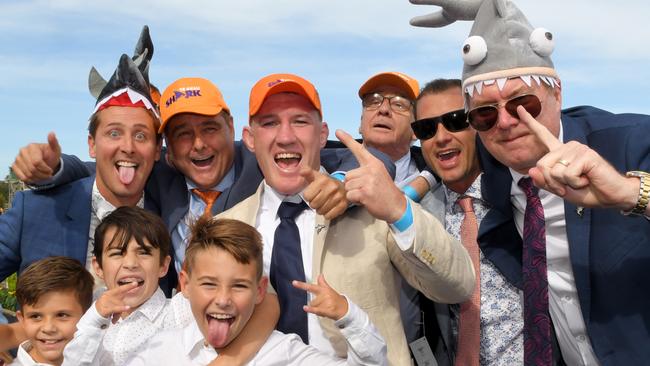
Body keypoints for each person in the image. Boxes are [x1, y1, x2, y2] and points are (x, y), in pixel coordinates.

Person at [411, 0, 650, 364]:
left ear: (557, 93)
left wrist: (629, 193)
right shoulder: (492, 176)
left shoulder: (628, 141)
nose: (505, 122)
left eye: (524, 104)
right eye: (485, 113)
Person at [218, 72, 475, 365]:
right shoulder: (224, 227)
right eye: (269, 123)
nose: (286, 136)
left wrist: (398, 209)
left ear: (322, 134)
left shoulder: (374, 209)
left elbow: (457, 285)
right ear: (250, 139)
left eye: (300, 121)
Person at [127, 216, 387, 365]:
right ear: (185, 284)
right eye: (209, 284)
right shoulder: (157, 352)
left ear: (260, 290)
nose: (223, 300)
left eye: (239, 286)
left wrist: (349, 316)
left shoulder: (285, 354)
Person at [414, 78, 523, 365]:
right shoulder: (421, 215)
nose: (440, 137)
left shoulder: (522, 194)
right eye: (426, 129)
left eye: (455, 121)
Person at [62, 206, 188, 365]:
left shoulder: (182, 311)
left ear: (163, 265)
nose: (130, 264)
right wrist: (96, 319)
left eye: (144, 252)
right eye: (117, 253)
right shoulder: (87, 316)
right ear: (98, 267)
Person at [9, 256, 94, 366]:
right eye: (35, 316)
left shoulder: (103, 358)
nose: (48, 328)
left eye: (62, 315)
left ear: (87, 316)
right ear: (22, 320)